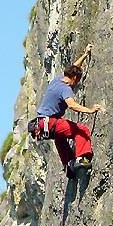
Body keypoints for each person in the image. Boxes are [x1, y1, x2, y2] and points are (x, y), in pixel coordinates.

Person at [35, 44, 103, 177]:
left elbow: (73, 67)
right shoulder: (65, 88)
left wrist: (85, 54)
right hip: (49, 122)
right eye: (77, 81)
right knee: (81, 130)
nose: (76, 84)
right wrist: (90, 110)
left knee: (60, 139)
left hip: (41, 125)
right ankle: (81, 159)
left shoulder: (57, 80)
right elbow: (71, 105)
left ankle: (69, 167)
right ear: (74, 78)